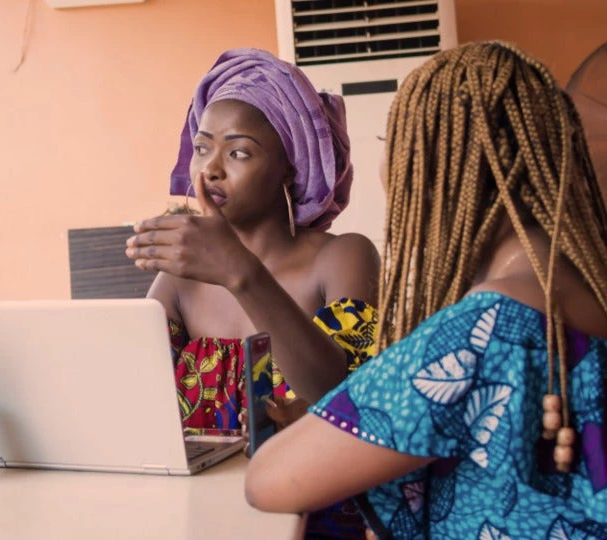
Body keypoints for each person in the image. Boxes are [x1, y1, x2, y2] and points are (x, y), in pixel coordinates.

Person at [245, 42, 607, 539]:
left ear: (442, 169)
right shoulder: (589, 293)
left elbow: (268, 481)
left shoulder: (489, 326)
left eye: (393, 142)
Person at [127, 48, 380, 538]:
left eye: (239, 152)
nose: (212, 170)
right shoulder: (183, 278)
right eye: (202, 149)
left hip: (309, 515)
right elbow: (130, 389)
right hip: (198, 515)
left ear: (290, 166)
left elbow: (340, 398)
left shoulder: (342, 256)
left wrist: (242, 272)